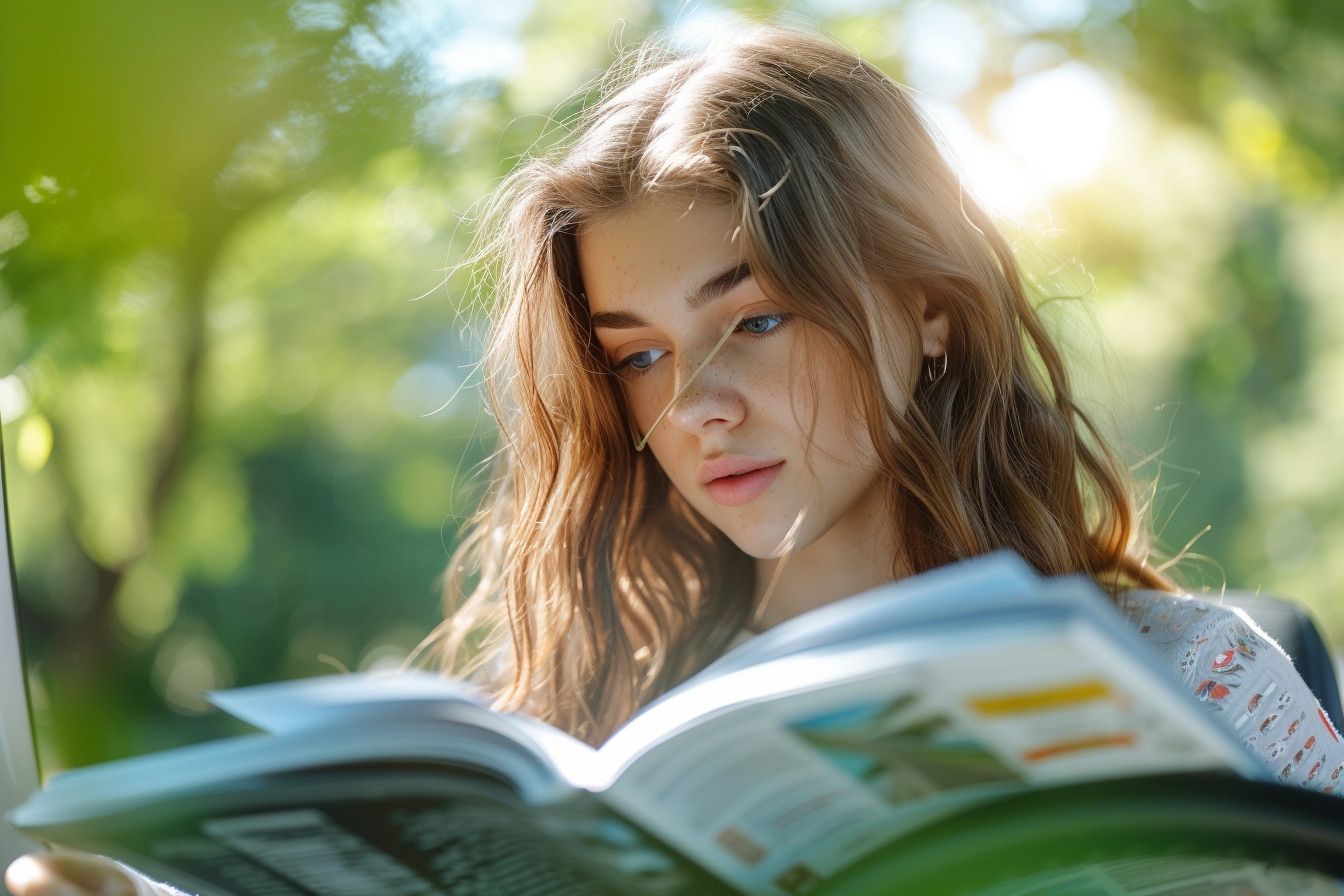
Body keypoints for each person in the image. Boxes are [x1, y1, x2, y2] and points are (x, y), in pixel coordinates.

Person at [7, 21, 1342, 896]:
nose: (695, 405)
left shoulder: (1195, 676)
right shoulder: (565, 731)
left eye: (752, 320)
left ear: (930, 303)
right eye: (636, 352)